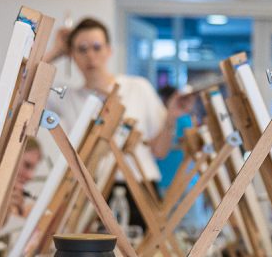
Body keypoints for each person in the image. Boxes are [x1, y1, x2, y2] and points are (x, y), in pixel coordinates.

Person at [46, 16, 189, 207]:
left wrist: (171, 119)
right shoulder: (68, 97)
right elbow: (22, 85)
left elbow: (160, 151)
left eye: (97, 47)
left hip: (141, 190)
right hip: (92, 194)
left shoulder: (138, 87)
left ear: (109, 50)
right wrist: (56, 51)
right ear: (72, 54)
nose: (90, 56)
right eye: (82, 49)